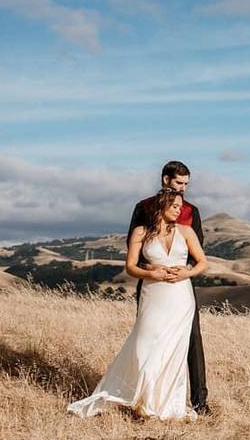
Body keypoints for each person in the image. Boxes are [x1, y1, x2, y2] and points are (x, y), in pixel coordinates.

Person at [67, 188, 208, 420]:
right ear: (161, 205)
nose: (178, 210)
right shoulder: (141, 232)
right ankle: (137, 395)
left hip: (181, 297)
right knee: (144, 344)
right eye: (174, 206)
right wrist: (153, 274)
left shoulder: (186, 231)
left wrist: (186, 273)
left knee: (174, 349)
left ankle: (159, 404)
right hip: (154, 295)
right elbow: (131, 266)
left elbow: (202, 262)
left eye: (180, 207)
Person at [126, 161, 211, 415]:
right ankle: (144, 395)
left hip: (180, 285)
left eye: (186, 184)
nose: (183, 189)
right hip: (152, 284)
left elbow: (197, 250)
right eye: (178, 183)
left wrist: (181, 272)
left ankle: (199, 400)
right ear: (166, 180)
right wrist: (153, 272)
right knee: (148, 337)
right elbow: (134, 247)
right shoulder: (142, 208)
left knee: (193, 340)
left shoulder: (191, 211)